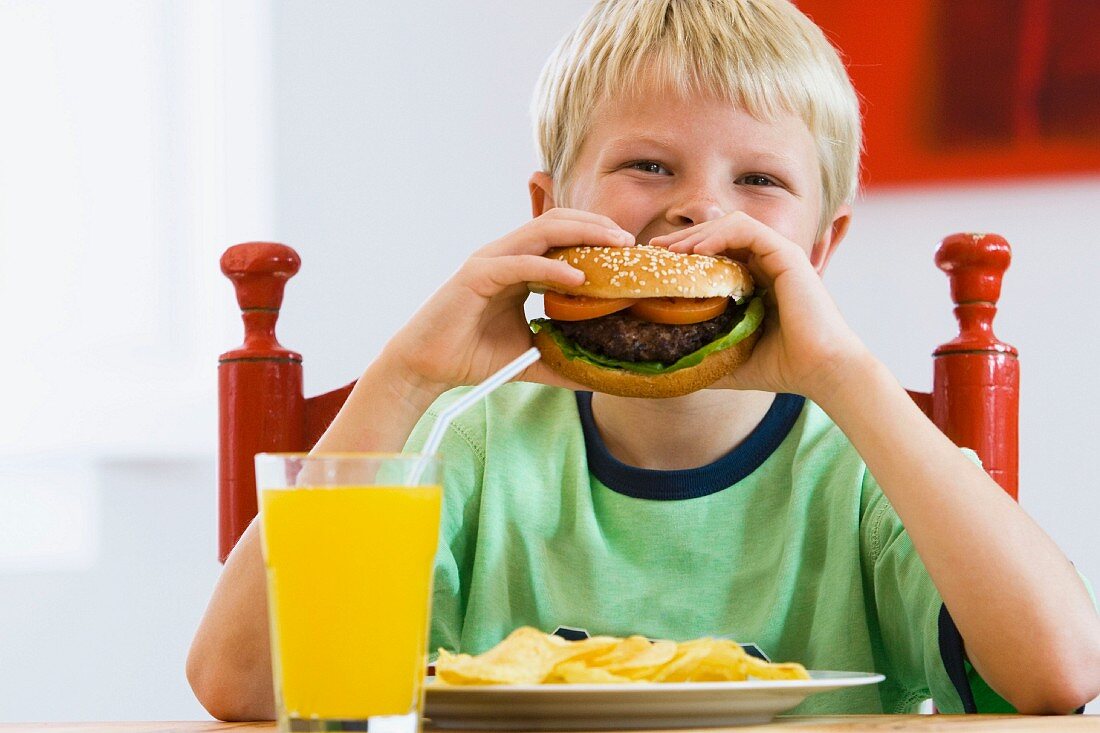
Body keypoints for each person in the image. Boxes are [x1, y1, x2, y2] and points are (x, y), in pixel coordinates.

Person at [186, 0, 1100, 720]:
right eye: (650, 166)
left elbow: (1059, 675)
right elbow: (241, 686)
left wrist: (847, 375)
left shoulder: (869, 465)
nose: (699, 209)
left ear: (821, 249)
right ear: (550, 203)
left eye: (760, 180)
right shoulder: (468, 446)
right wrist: (407, 375)